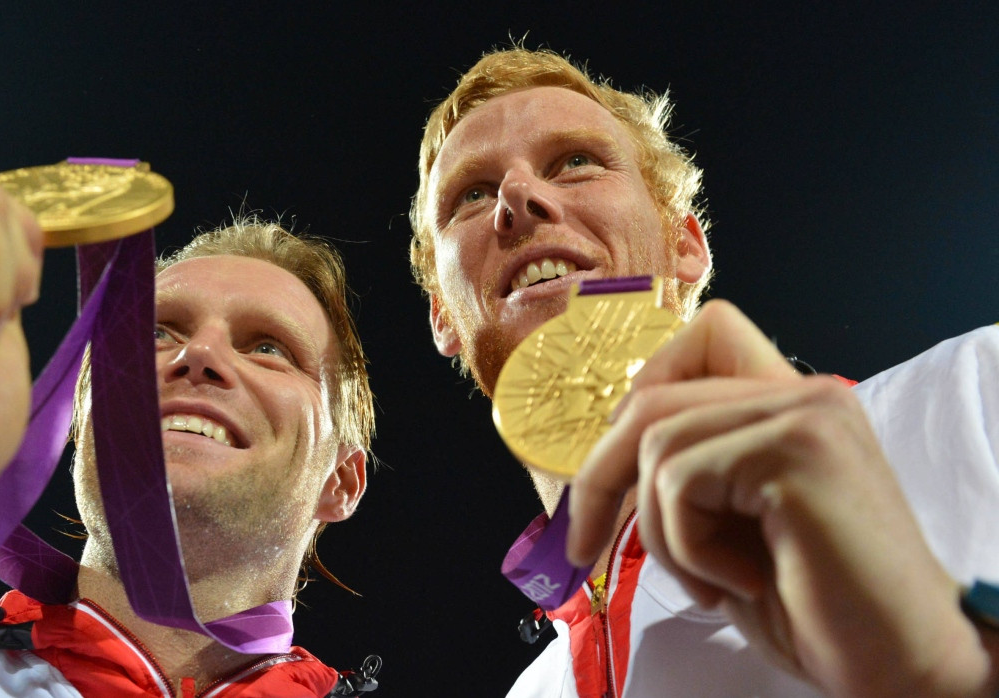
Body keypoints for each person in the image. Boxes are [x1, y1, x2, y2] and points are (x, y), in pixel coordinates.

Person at [409, 46, 999, 696]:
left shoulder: (973, 396)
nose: (517, 196)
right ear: (443, 315)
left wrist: (947, 666)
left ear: (685, 243)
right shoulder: (531, 691)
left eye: (576, 162)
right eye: (471, 194)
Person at [0, 171, 379, 697]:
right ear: (84, 420)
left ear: (342, 481)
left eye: (268, 347)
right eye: (156, 332)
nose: (197, 354)